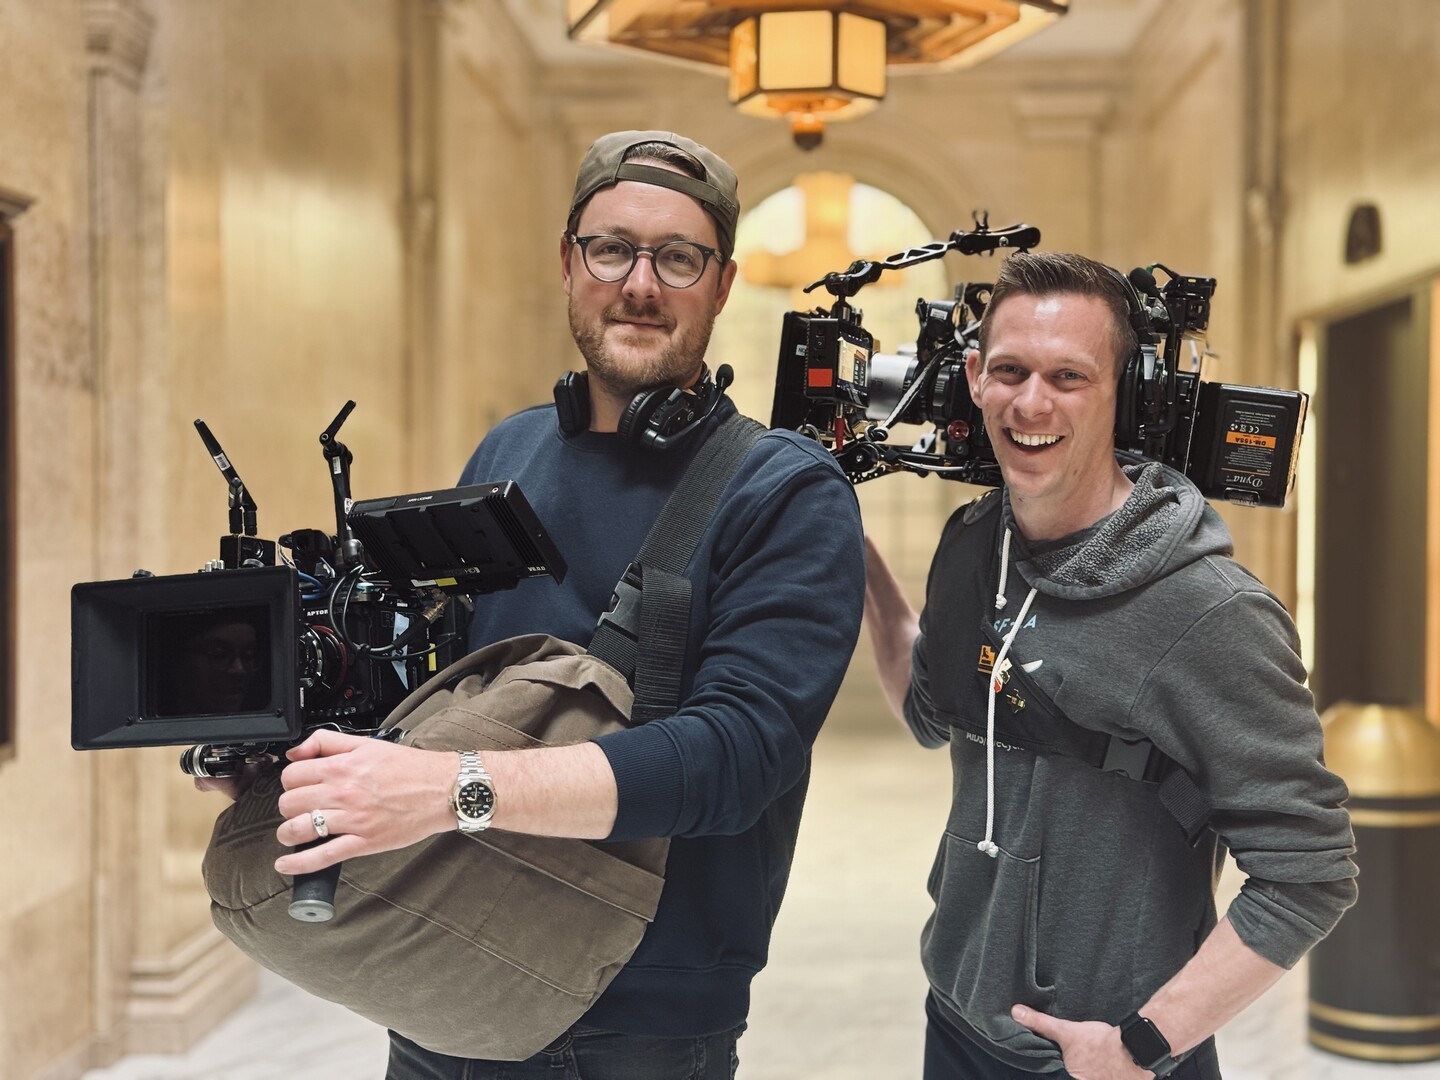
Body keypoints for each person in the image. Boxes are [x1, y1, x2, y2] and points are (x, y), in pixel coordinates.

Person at [257, 131, 864, 1077]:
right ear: (569, 262)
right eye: (612, 248)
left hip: (635, 1022)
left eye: (678, 257)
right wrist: (304, 753)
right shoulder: (510, 450)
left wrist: (446, 790)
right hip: (442, 967)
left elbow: (738, 756)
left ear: (723, 282)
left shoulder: (785, 491)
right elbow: (439, 690)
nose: (640, 284)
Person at [864, 251, 1356, 1079]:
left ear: (1119, 395)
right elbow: (928, 710)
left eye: (1069, 376)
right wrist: (856, 561)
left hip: (1107, 1060)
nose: (1030, 402)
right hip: (955, 1020)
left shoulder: (1209, 611)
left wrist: (1141, 1045)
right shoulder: (974, 544)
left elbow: (1309, 874)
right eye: (1012, 371)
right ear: (977, 377)